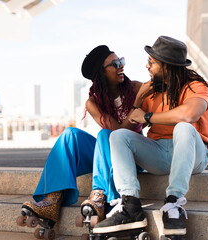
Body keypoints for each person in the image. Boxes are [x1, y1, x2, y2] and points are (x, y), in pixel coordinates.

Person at [19, 45, 151, 231]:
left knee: (106, 135)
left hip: (135, 157)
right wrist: (136, 108)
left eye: (121, 60)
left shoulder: (137, 88)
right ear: (101, 74)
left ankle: (103, 197)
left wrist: (138, 102)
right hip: (110, 156)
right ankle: (52, 199)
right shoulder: (93, 103)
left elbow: (121, 136)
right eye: (115, 63)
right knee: (69, 135)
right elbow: (117, 131)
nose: (121, 65)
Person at [92, 36, 208, 237]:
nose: (146, 66)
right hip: (158, 154)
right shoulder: (150, 90)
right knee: (118, 136)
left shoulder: (196, 86)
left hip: (192, 155)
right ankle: (130, 206)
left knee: (183, 127)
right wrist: (139, 99)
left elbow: (189, 114)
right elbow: (125, 133)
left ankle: (173, 203)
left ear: (167, 66)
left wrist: (148, 116)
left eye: (151, 62)